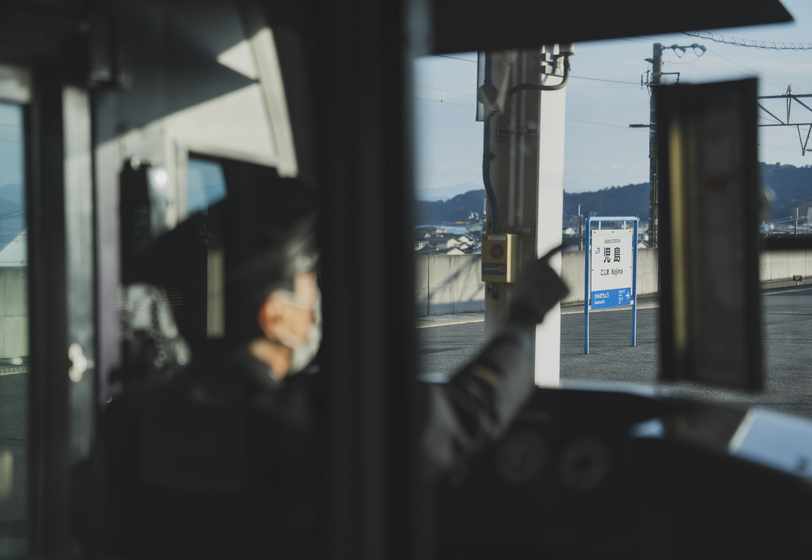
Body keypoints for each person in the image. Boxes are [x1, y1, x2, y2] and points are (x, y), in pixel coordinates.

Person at [102, 177, 567, 559]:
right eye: (310, 290)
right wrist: (524, 318)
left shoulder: (130, 419)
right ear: (276, 316)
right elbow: (468, 413)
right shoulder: (303, 420)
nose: (319, 303)